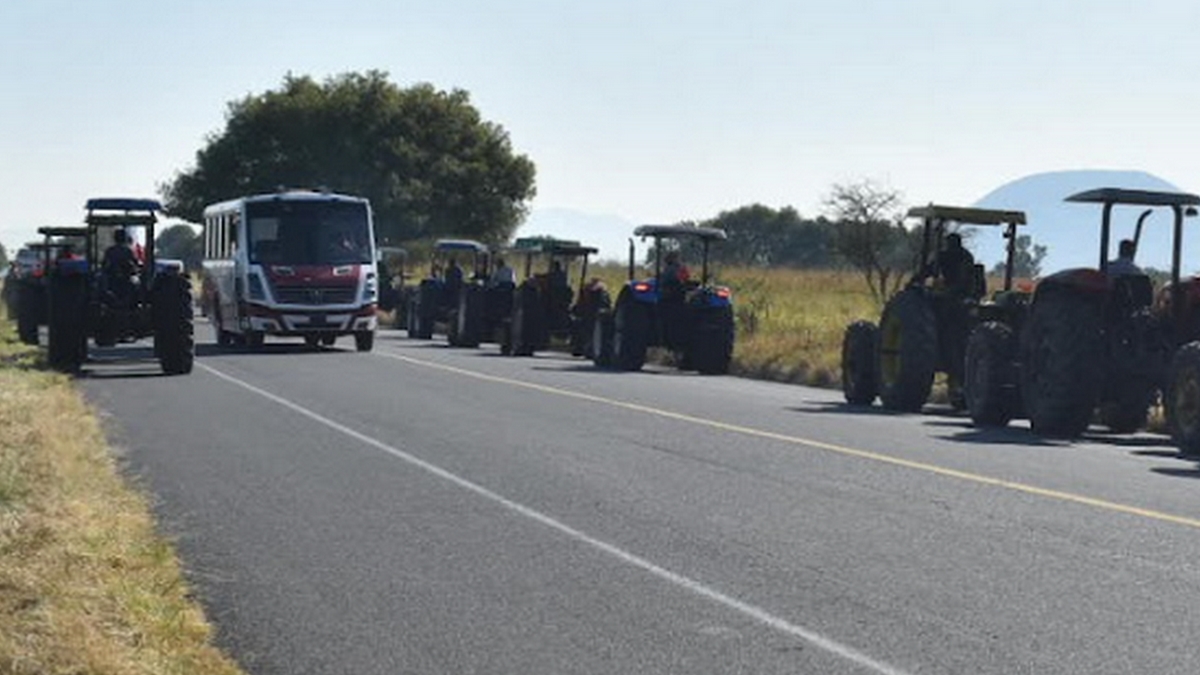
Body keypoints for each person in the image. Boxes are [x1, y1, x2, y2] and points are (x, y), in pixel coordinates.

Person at [935, 232, 976, 297]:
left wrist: (950, 290)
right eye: (948, 243)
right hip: (947, 287)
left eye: (951, 243)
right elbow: (932, 268)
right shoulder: (944, 256)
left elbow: (964, 276)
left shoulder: (964, 256)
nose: (948, 245)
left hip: (962, 291)